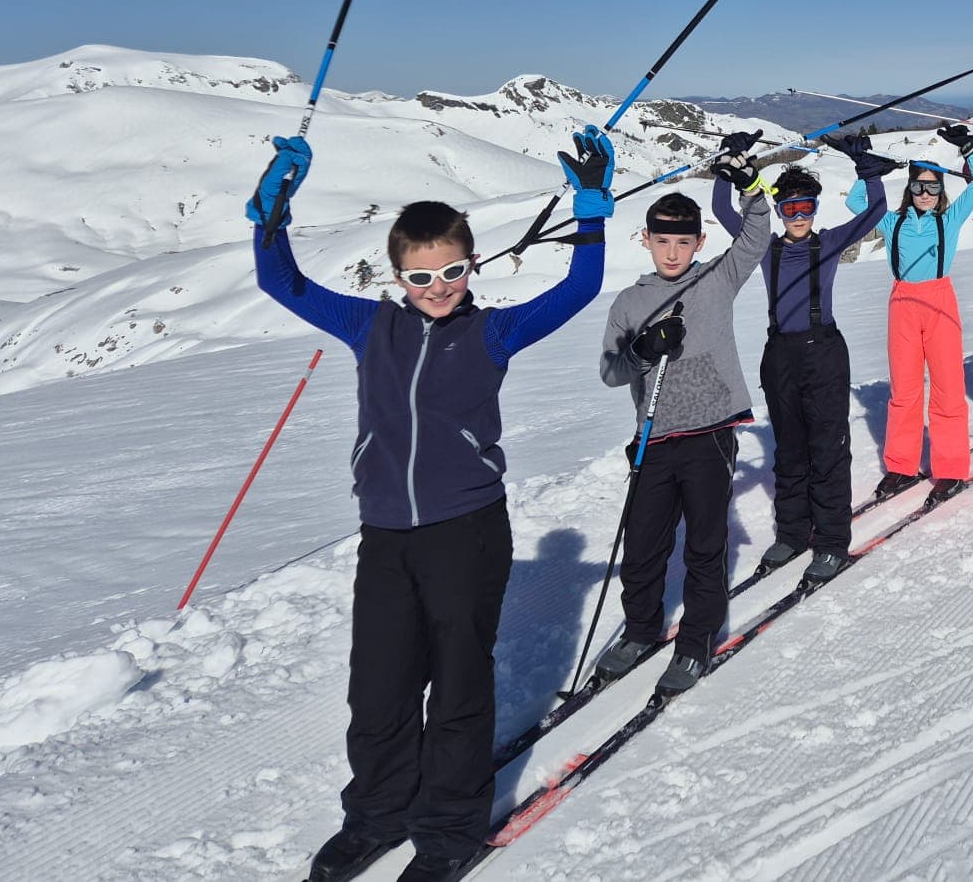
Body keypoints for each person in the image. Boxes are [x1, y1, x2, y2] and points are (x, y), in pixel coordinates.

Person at [249, 127, 611, 882]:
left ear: (471, 263)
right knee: (378, 688)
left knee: (456, 683)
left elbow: (578, 290)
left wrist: (592, 211)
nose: (438, 287)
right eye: (420, 277)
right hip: (385, 535)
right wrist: (270, 219)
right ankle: (376, 815)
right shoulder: (369, 325)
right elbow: (282, 286)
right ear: (397, 276)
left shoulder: (493, 331)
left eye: (450, 270)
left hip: (467, 532)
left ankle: (448, 828)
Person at [595, 149, 771, 699]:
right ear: (644, 240)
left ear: (698, 243)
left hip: (710, 435)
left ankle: (696, 640)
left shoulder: (716, 280)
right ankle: (642, 630)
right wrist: (643, 352)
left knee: (704, 543)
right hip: (653, 438)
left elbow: (756, 237)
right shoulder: (628, 302)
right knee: (643, 546)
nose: (673, 251)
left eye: (683, 241)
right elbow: (610, 371)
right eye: (662, 240)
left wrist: (750, 188)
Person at [712, 132, 894, 581]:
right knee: (789, 448)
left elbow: (876, 212)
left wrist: (866, 168)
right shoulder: (764, 248)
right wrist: (728, 164)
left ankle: (831, 539)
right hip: (780, 356)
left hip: (824, 352)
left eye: (805, 207)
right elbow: (721, 210)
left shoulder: (828, 242)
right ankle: (793, 534)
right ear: (778, 210)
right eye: (789, 208)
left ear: (814, 209)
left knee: (827, 447)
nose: (797, 215)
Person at [870, 123, 973, 507]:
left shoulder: (947, 219)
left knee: (948, 387)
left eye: (932, 186)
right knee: (903, 390)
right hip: (903, 303)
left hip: (939, 302)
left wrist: (970, 150)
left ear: (940, 191)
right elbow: (860, 205)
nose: (924, 193)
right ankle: (902, 464)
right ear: (909, 189)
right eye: (918, 186)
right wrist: (863, 170)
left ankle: (951, 468)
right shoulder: (893, 221)